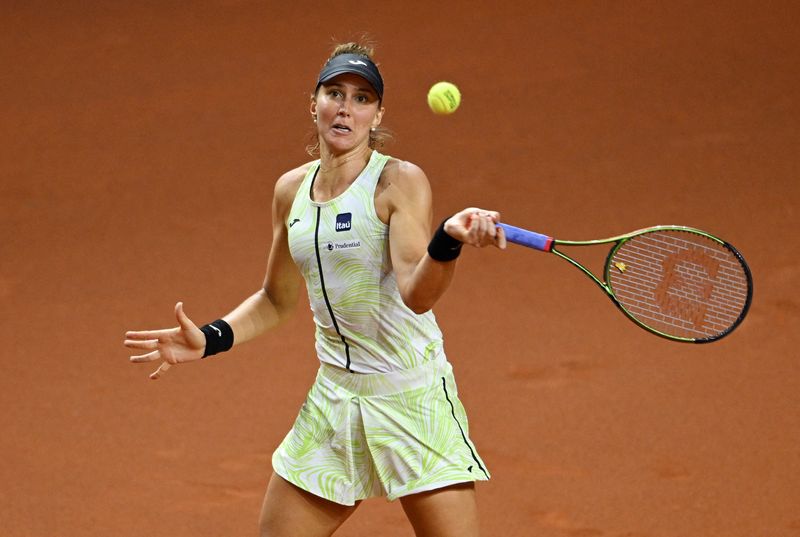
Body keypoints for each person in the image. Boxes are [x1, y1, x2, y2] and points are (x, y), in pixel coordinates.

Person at [124, 42, 506, 537]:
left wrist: (447, 241)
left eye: (362, 98)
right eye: (335, 93)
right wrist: (211, 337)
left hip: (411, 400)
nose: (346, 107)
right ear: (315, 103)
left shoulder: (397, 182)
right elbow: (277, 298)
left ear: (377, 114)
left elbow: (417, 294)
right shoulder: (291, 191)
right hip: (335, 401)